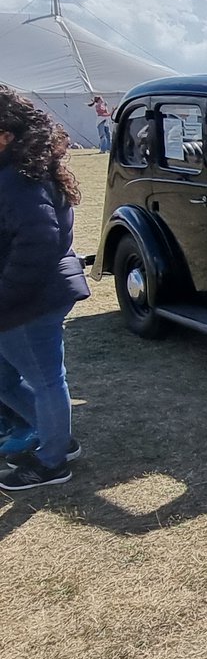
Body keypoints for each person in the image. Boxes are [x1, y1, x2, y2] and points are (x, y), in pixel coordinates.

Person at [0, 88, 90, 490]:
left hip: (28, 301)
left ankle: (53, 460)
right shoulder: (22, 168)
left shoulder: (18, 177)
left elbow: (38, 242)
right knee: (8, 378)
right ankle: (54, 437)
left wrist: (5, 295)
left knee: (47, 379)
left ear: (5, 134)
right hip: (28, 296)